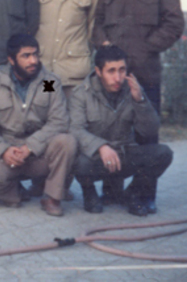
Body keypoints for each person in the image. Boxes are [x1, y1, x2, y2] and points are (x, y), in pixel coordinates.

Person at [92, 0, 184, 210]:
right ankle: (112, 191)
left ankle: (144, 196)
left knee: (146, 137)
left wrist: (146, 48)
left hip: (145, 75)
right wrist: (103, 45)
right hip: (111, 78)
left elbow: (174, 24)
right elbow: (97, 23)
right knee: (112, 132)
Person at [0, 34, 77, 217]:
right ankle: (17, 192)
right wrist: (3, 150)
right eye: (26, 56)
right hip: (9, 154)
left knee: (67, 141)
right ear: (11, 60)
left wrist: (30, 146)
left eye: (35, 54)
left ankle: (52, 197)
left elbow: (59, 121)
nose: (33, 61)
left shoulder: (48, 82)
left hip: (39, 152)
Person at [69, 45, 173, 216]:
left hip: (124, 154)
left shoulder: (133, 89)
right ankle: (89, 193)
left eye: (122, 70)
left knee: (163, 153)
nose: (118, 77)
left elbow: (150, 131)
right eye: (111, 71)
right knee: (78, 162)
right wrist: (101, 146)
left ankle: (132, 193)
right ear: (98, 71)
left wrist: (140, 101)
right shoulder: (81, 93)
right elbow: (75, 129)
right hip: (96, 158)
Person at [35, 0, 100, 98]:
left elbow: (92, 28)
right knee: (47, 108)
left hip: (73, 73)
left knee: (73, 112)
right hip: (44, 69)